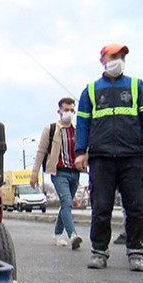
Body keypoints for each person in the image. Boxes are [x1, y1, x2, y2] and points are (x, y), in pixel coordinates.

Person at [74, 43, 143, 271]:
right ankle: (99, 251)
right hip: (101, 158)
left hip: (133, 157)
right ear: (103, 60)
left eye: (121, 56)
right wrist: (80, 152)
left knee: (137, 207)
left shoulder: (138, 86)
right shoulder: (90, 90)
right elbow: (83, 124)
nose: (118, 59)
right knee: (101, 207)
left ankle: (136, 251)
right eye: (114, 56)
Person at [30, 97, 83, 250]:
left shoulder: (77, 129)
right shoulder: (51, 129)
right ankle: (73, 235)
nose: (69, 113)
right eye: (66, 110)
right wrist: (34, 175)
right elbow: (41, 151)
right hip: (58, 172)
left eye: (72, 110)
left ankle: (57, 234)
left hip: (75, 172)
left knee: (66, 204)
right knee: (66, 201)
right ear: (59, 111)